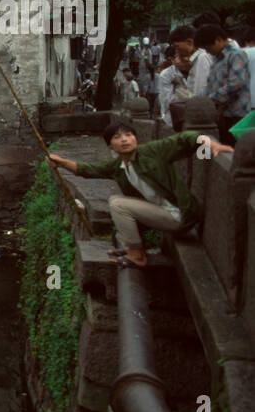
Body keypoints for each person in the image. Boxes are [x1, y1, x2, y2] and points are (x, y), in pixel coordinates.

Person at [47, 121, 232, 268]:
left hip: (180, 215)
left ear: (136, 138)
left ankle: (137, 254)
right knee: (121, 205)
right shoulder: (119, 166)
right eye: (117, 137)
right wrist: (61, 162)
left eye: (128, 135)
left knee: (118, 203)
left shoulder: (151, 152)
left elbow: (184, 139)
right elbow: (89, 170)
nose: (125, 140)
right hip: (163, 214)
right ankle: (134, 246)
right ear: (110, 145)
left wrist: (211, 143)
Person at [195, 23, 252, 144]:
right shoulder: (217, 58)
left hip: (236, 114)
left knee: (231, 150)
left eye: (208, 48)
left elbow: (236, 83)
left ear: (218, 40)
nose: (208, 52)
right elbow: (211, 83)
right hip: (221, 114)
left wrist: (211, 99)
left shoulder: (237, 54)